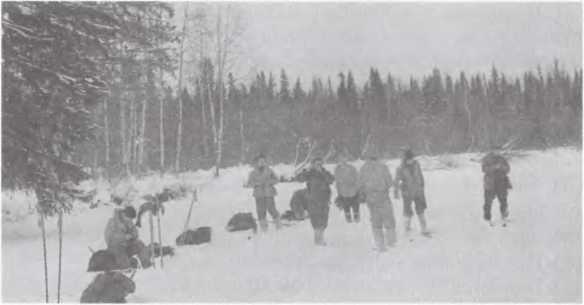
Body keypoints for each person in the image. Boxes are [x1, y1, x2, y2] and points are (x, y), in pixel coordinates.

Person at [359, 145, 397, 252]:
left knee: (376, 222)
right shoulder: (383, 167)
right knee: (388, 220)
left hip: (371, 199)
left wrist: (364, 193)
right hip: (383, 197)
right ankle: (392, 243)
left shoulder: (363, 169)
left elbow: (360, 185)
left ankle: (380, 244)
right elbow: (389, 182)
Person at [294, 157, 335, 246]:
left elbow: (331, 180)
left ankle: (321, 238)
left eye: (320, 164)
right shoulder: (309, 173)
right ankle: (317, 240)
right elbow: (298, 178)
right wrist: (306, 170)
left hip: (324, 200)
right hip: (313, 200)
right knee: (316, 220)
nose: (318, 166)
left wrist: (322, 173)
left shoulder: (325, 173)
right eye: (316, 164)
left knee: (324, 220)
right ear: (313, 165)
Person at [394, 148, 430, 237]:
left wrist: (422, 185)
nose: (411, 161)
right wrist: (396, 191)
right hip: (407, 193)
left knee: (420, 210)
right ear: (405, 159)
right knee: (407, 211)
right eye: (409, 159)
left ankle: (424, 229)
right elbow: (396, 181)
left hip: (418, 191)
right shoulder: (400, 168)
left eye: (412, 159)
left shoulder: (417, 164)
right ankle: (407, 227)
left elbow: (420, 175)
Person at [245, 154, 281, 232]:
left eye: (263, 161)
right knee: (260, 210)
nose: (262, 163)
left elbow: (277, 180)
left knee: (271, 209)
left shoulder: (270, 171)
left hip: (269, 193)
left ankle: (278, 224)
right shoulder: (252, 173)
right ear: (257, 162)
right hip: (259, 194)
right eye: (260, 161)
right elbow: (248, 184)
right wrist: (256, 184)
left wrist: (269, 182)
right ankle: (264, 228)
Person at [481, 146, 512, 226]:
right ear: (492, 150)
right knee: (488, 201)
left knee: (503, 200)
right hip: (490, 183)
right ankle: (487, 217)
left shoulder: (502, 159)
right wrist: (494, 167)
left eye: (499, 151)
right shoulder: (487, 158)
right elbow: (484, 169)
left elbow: (508, 169)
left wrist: (502, 167)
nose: (498, 152)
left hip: (501, 183)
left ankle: (504, 215)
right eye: (496, 151)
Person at [334, 149, 360, 223]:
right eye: (340, 158)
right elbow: (337, 182)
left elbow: (357, 179)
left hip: (353, 192)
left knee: (356, 210)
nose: (342, 160)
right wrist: (339, 193)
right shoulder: (337, 169)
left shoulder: (352, 168)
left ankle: (357, 220)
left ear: (346, 159)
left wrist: (357, 189)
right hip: (343, 193)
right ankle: (349, 221)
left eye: (344, 158)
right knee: (346, 210)